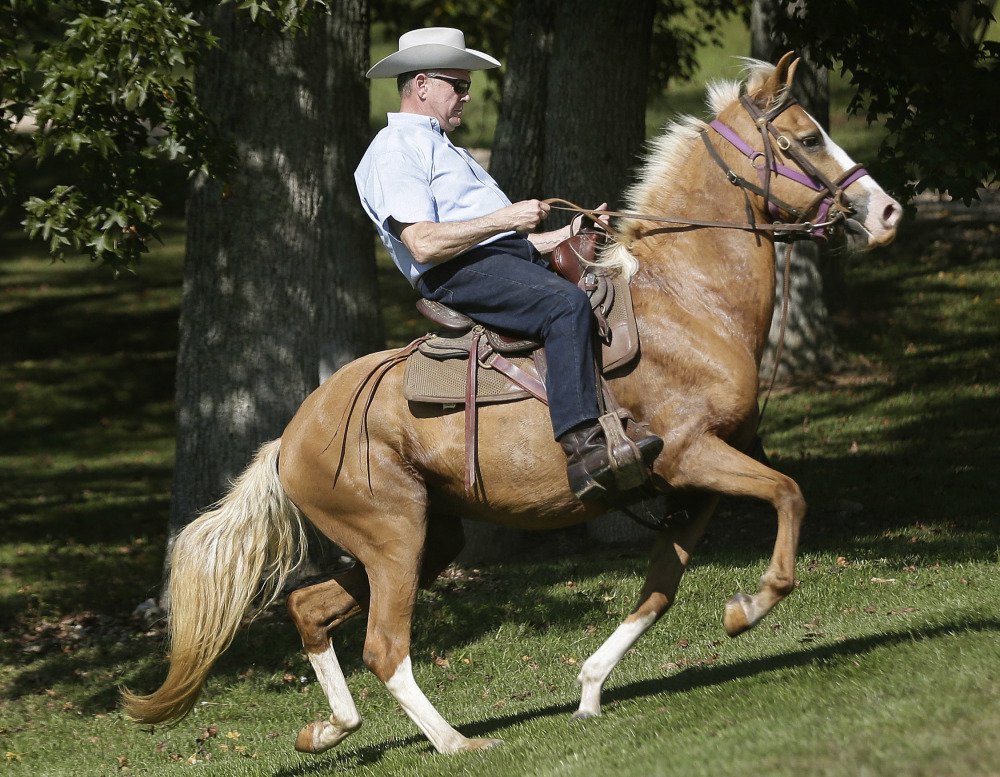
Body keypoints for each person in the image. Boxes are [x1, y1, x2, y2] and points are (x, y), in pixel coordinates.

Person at [354, 27, 661, 501]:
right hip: (453, 273)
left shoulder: (443, 147)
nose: (467, 95)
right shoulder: (395, 149)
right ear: (422, 84)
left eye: (467, 85)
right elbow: (422, 243)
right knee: (565, 305)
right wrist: (507, 217)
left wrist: (568, 234)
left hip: (492, 261)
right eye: (458, 85)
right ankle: (584, 448)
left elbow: (503, 243)